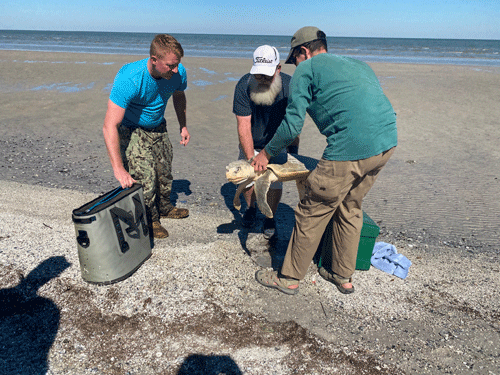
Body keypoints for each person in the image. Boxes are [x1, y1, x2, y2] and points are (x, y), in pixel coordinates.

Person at [252, 27, 398, 295]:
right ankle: (342, 275)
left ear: (304, 52)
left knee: (313, 209)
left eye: (294, 58)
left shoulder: (306, 69)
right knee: (351, 207)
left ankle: (289, 279)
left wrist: (266, 153)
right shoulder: (359, 64)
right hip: (386, 143)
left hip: (350, 148)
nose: (294, 65)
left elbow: (292, 125)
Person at [103, 34, 190, 239]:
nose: (175, 70)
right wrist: (119, 169)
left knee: (164, 172)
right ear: (154, 60)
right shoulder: (130, 77)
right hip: (131, 129)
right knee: (145, 177)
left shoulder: (178, 72)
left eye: (177, 64)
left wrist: (183, 126)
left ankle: (165, 208)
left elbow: (178, 95)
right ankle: (150, 218)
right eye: (170, 65)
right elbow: (109, 126)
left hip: (159, 126)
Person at [232, 45, 299, 239]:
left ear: (278, 68)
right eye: (258, 75)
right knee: (247, 179)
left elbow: (294, 124)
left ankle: (270, 216)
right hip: (251, 140)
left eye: (267, 76)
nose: (262, 80)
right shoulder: (244, 85)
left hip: (278, 141)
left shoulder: (290, 87)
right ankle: (251, 208)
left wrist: (292, 149)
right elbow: (243, 125)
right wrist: (250, 157)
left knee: (274, 184)